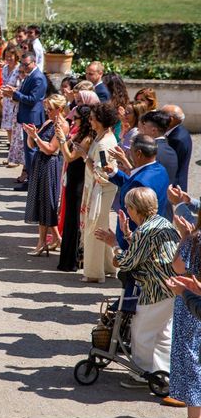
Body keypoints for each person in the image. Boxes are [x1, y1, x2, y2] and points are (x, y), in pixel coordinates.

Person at [94, 187, 178, 389]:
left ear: (135, 209)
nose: (127, 210)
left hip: (155, 289)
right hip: (170, 289)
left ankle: (143, 374)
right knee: (163, 333)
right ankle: (163, 372)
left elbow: (128, 261)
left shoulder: (146, 231)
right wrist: (127, 234)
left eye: (128, 207)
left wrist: (114, 243)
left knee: (141, 330)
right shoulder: (162, 223)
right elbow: (145, 250)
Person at [165, 213, 201, 418]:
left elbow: (178, 267)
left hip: (191, 302)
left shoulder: (195, 238)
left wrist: (184, 236)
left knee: (191, 359)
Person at [106, 134, 170, 250]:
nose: (129, 154)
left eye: (131, 151)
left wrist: (119, 245)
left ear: (139, 153)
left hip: (133, 242)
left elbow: (132, 219)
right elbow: (132, 183)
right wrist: (114, 173)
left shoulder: (139, 182)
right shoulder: (160, 169)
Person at [23, 94, 68, 255]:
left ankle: (42, 242)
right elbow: (32, 145)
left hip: (50, 165)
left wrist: (35, 137)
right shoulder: (49, 122)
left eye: (50, 109)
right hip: (39, 163)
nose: (47, 112)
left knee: (47, 202)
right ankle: (55, 238)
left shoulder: (63, 126)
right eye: (46, 109)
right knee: (41, 200)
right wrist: (31, 135)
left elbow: (50, 149)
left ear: (60, 109)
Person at [79, 103, 118, 283]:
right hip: (99, 188)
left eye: (93, 118)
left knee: (94, 227)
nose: (90, 121)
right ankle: (108, 266)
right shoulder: (102, 136)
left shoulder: (103, 143)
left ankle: (94, 272)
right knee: (101, 225)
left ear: (101, 121)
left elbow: (101, 171)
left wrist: (84, 156)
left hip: (101, 189)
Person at [2, 51, 48, 191]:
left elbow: (32, 99)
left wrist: (14, 94)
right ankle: (30, 180)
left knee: (31, 151)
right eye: (22, 64)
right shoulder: (31, 75)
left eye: (26, 64)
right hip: (27, 117)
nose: (24, 67)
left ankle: (31, 182)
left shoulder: (38, 77)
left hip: (32, 118)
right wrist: (14, 92)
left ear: (34, 62)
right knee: (28, 151)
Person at [55, 105, 94, 271]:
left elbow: (70, 157)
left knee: (73, 220)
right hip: (72, 178)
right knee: (69, 218)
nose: (73, 120)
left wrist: (62, 139)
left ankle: (71, 260)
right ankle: (68, 258)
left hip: (78, 180)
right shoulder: (79, 133)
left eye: (76, 117)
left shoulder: (88, 137)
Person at [138, 110, 178, 187]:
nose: (142, 131)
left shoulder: (150, 151)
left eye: (145, 127)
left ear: (153, 130)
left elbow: (141, 178)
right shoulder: (171, 150)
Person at [163, 104, 192, 192]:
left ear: (171, 120)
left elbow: (171, 165)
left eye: (162, 115)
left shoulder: (176, 139)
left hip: (174, 187)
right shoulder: (179, 131)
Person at [0, 48, 20, 162]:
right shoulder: (5, 68)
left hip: (15, 101)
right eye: (6, 56)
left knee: (15, 127)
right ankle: (11, 154)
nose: (8, 58)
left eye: (10, 56)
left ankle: (15, 156)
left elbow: (21, 85)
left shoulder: (19, 69)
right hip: (7, 101)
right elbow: (3, 82)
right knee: (8, 127)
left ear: (16, 56)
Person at [5, 64, 26, 170]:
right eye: (19, 72)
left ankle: (22, 167)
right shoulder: (20, 81)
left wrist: (13, 93)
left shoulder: (27, 82)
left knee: (22, 140)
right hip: (16, 111)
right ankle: (15, 159)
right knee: (16, 137)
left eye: (23, 72)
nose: (21, 74)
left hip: (23, 114)